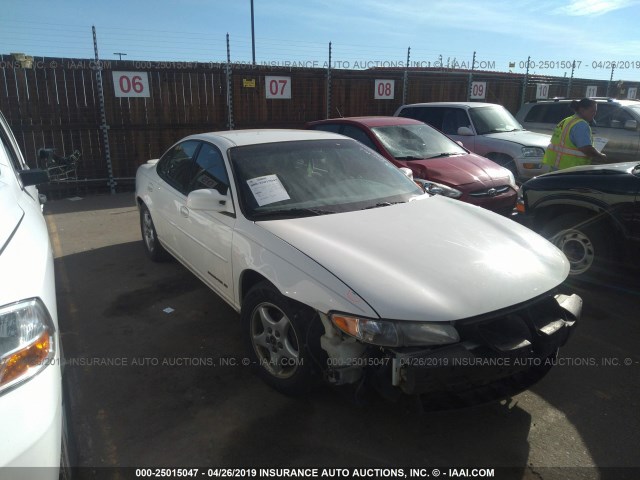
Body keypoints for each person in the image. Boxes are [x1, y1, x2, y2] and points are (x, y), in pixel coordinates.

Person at [542, 98, 607, 171]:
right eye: (592, 111)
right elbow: (586, 148)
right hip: (570, 169)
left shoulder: (567, 120)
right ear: (582, 110)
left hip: (556, 166)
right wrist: (600, 155)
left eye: (595, 112)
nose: (594, 114)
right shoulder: (581, 124)